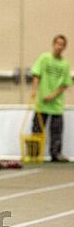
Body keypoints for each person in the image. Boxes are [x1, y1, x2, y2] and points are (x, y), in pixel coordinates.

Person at [30, 34, 72, 162]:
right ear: (53, 44)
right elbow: (36, 74)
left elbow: (65, 84)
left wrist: (52, 95)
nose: (59, 46)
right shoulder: (44, 58)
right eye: (57, 43)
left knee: (56, 131)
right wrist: (35, 91)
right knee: (37, 128)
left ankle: (56, 154)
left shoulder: (65, 64)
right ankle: (34, 154)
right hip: (41, 103)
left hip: (56, 104)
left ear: (65, 47)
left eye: (62, 45)